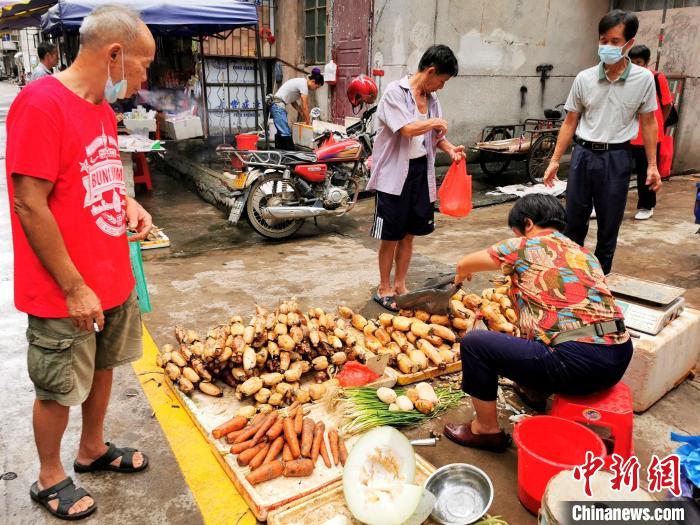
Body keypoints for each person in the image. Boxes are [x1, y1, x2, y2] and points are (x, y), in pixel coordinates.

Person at [6, 5, 155, 520]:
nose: (144, 76)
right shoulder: (40, 104)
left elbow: (95, 174)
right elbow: (29, 200)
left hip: (111, 277)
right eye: (143, 64)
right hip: (63, 289)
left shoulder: (99, 109)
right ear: (114, 55)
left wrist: (129, 203)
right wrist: (72, 286)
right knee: (58, 386)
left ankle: (91, 450)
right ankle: (49, 476)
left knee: (105, 369)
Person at [443, 194, 632, 452]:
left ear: (528, 223)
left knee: (475, 343)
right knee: (539, 336)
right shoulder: (584, 254)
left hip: (578, 366)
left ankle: (485, 430)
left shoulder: (524, 246)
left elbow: (465, 262)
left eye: (517, 230)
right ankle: (535, 391)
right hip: (620, 356)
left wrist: (461, 275)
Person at [543, 9, 662, 275]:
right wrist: (554, 161)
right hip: (583, 155)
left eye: (615, 41)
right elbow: (570, 122)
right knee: (573, 221)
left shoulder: (643, 80)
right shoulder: (584, 78)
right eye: (603, 40)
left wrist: (652, 165)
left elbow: (649, 122)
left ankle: (600, 279)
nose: (607, 46)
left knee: (609, 225)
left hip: (616, 158)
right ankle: (572, 278)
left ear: (629, 44)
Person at [367, 45, 465, 310]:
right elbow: (407, 129)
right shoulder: (394, 93)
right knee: (391, 235)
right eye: (442, 81)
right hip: (393, 175)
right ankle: (384, 287)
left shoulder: (432, 100)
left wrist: (451, 149)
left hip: (420, 172)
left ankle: (400, 284)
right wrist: (433, 124)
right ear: (431, 71)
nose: (441, 87)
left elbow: (436, 137)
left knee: (409, 234)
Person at [628, 44, 673, 221]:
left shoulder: (656, 78)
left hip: (649, 135)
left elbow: (667, 104)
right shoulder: (627, 78)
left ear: (647, 62)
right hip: (628, 133)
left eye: (638, 62)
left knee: (646, 172)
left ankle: (647, 206)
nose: (635, 65)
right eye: (632, 62)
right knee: (617, 171)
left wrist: (659, 122)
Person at [269, 71, 324, 150]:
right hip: (278, 106)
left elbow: (293, 102)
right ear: (313, 82)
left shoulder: (300, 82)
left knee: (281, 132)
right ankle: (291, 154)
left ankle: (280, 153)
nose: (315, 89)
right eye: (316, 87)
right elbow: (305, 106)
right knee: (285, 132)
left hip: (277, 105)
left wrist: (300, 111)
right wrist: (308, 122)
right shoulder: (304, 85)